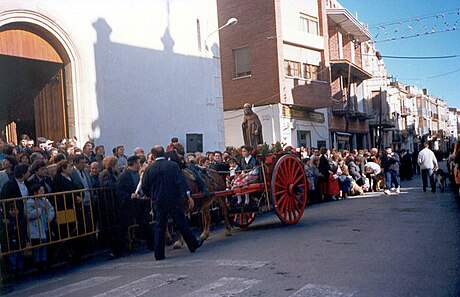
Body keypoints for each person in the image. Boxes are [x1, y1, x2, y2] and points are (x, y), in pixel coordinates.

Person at [141, 146, 203, 261]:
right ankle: (192, 244)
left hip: (158, 200)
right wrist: (187, 196)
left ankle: (159, 253)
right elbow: (181, 182)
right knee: (181, 222)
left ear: (153, 155)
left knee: (160, 225)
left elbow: (144, 186)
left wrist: (152, 195)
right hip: (173, 199)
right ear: (163, 154)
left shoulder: (149, 169)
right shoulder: (173, 166)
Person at [112, 156, 141, 258]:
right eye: (138, 163)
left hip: (136, 203)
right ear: (133, 164)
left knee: (144, 222)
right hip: (126, 204)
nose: (140, 164)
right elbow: (119, 190)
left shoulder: (137, 174)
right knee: (123, 227)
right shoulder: (124, 176)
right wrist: (129, 195)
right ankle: (117, 250)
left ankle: (151, 243)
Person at [26, 184, 55, 270]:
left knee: (44, 244)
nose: (43, 193)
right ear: (35, 192)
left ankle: (44, 260)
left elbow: (50, 209)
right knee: (37, 246)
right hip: (35, 227)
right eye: (40, 191)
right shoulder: (30, 202)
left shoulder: (45, 200)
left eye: (43, 191)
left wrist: (49, 217)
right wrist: (38, 211)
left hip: (44, 224)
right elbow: (28, 214)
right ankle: (37, 262)